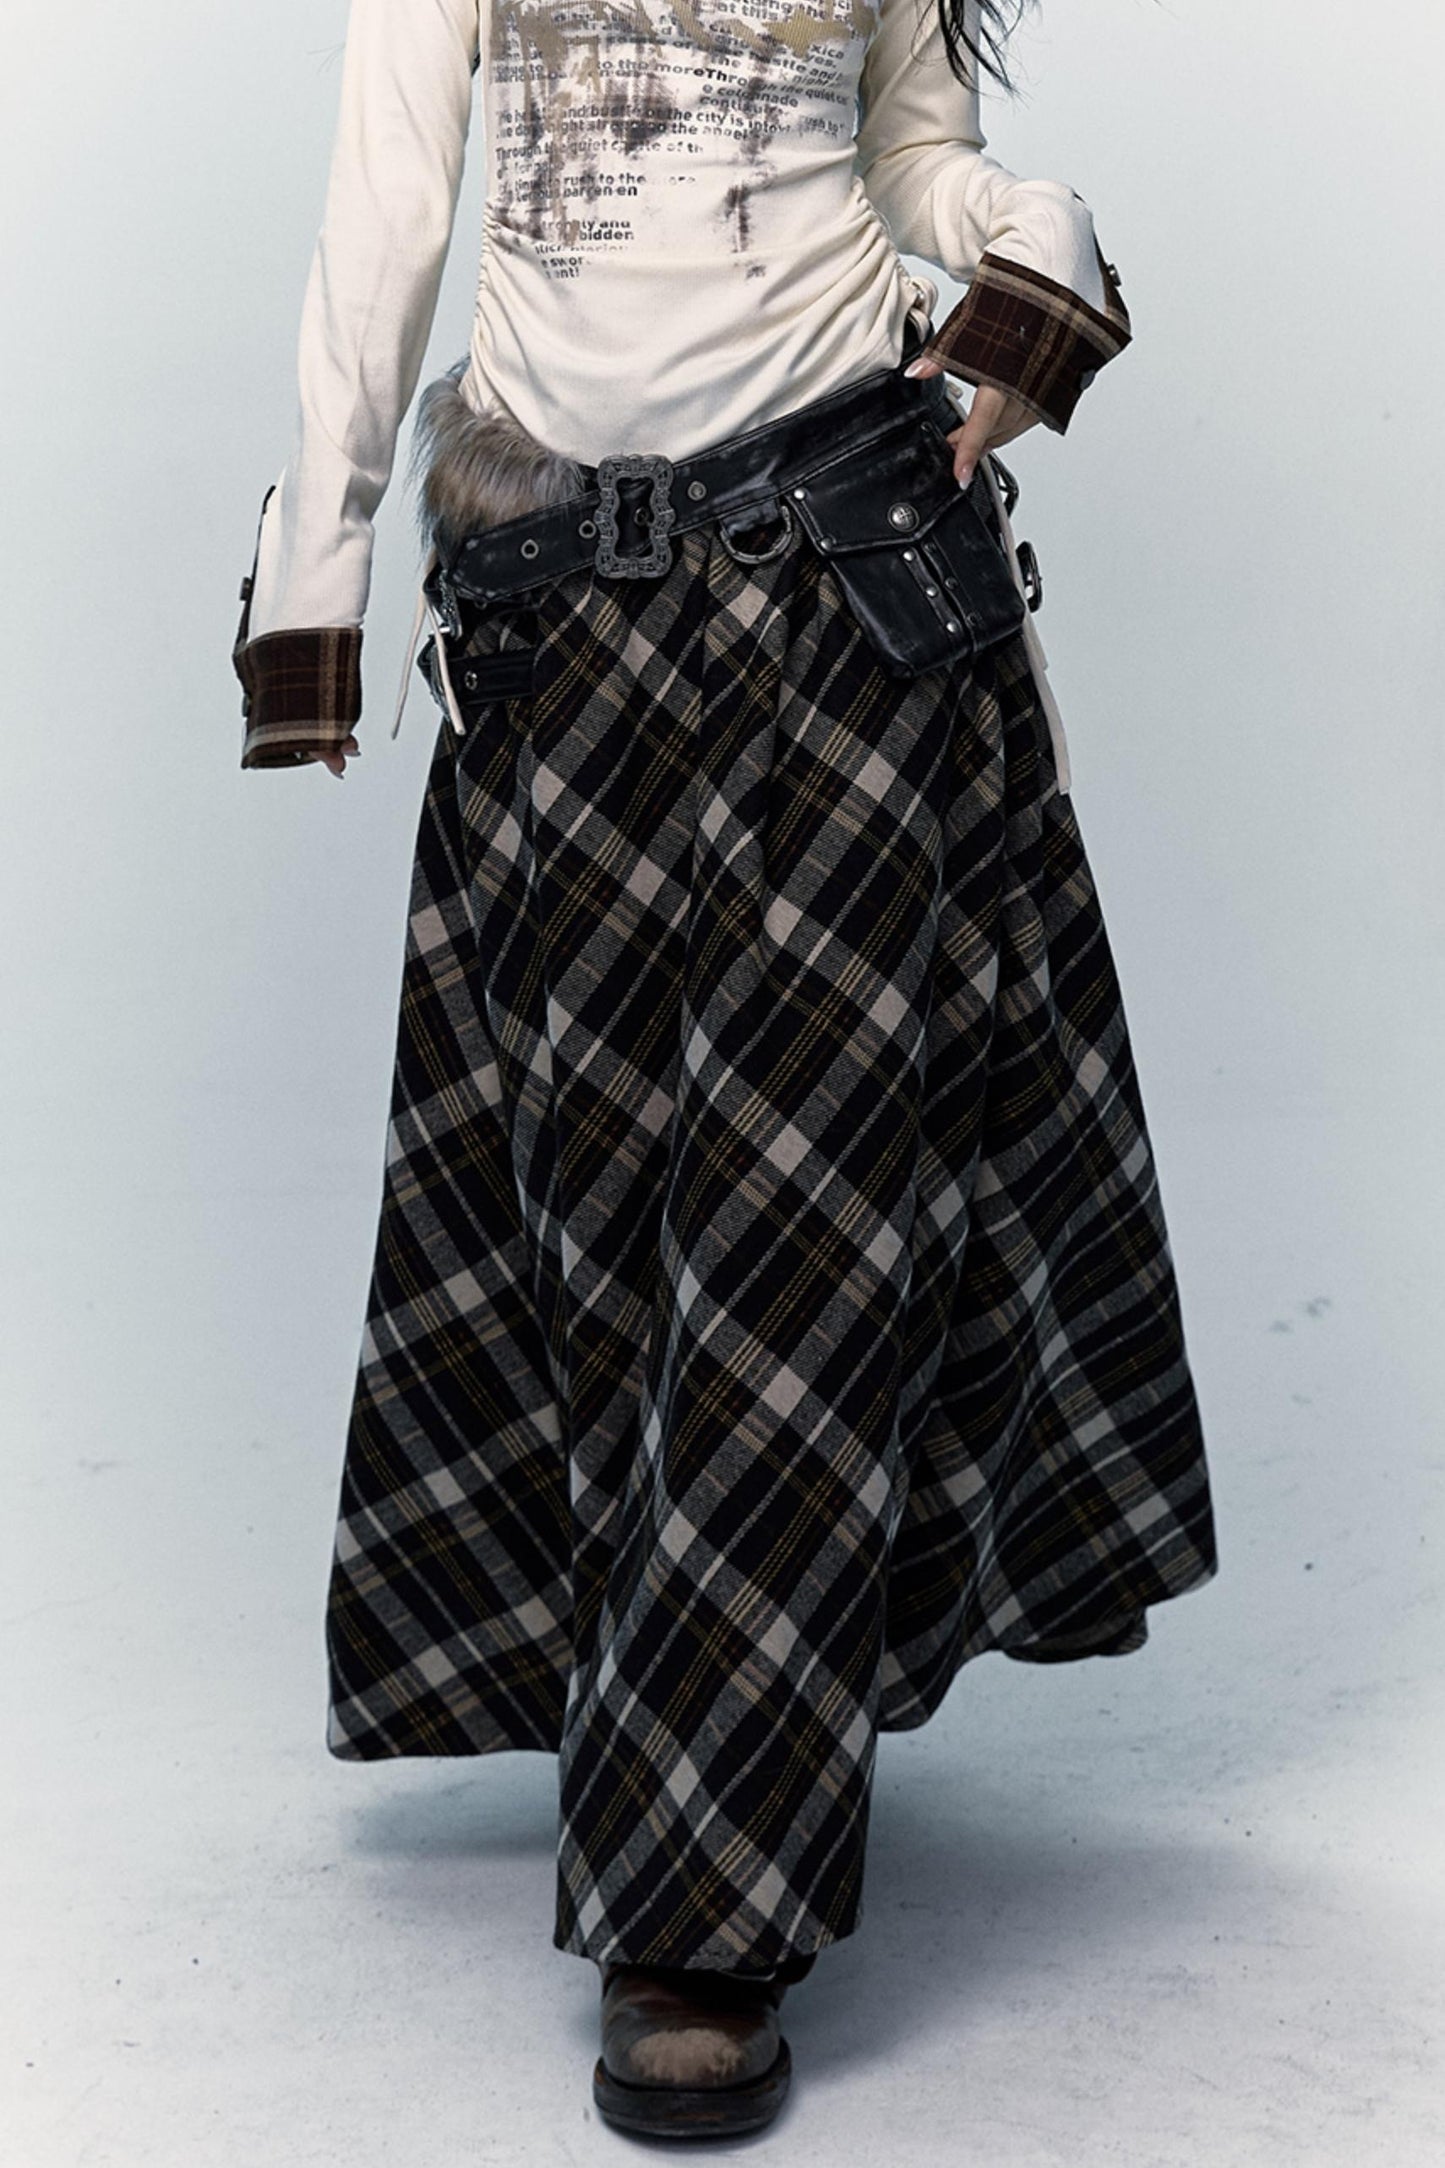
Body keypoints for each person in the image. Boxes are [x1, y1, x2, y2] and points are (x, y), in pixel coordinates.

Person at [231, 0, 1219, 2139]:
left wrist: (1028, 242)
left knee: (794, 1249)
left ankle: (696, 1917)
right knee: (604, 1252)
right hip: (555, 638)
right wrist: (316, 577)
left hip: (850, 605)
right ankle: (685, 1734)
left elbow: (908, 161)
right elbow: (389, 215)